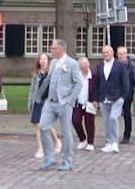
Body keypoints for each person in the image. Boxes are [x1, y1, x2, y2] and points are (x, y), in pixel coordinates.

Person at [39, 39, 83, 172]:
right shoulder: (52, 63)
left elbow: (78, 83)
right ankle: (50, 158)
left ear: (60, 50)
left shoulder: (72, 64)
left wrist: (70, 100)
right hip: (50, 102)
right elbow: (50, 80)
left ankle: (68, 161)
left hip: (64, 103)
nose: (50, 51)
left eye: (53, 48)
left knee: (66, 132)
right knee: (43, 127)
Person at [93, 43, 128, 153]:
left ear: (112, 53)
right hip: (103, 97)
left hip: (117, 97)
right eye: (103, 52)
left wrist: (123, 97)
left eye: (107, 52)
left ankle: (114, 142)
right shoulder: (100, 66)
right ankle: (108, 142)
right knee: (106, 120)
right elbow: (97, 84)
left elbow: (125, 82)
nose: (105, 54)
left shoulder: (119, 65)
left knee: (113, 118)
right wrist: (95, 99)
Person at [28, 51, 52, 165]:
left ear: (48, 61)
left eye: (45, 59)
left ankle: (56, 141)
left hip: (47, 102)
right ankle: (40, 148)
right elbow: (32, 90)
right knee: (37, 124)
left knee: (47, 125)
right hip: (37, 102)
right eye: (41, 59)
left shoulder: (51, 74)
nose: (43, 61)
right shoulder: (36, 75)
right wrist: (30, 104)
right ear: (39, 61)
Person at [73, 56, 96, 151]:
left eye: (87, 63)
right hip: (78, 102)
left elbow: (97, 89)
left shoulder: (94, 76)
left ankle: (90, 143)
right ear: (79, 66)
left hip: (90, 103)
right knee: (75, 121)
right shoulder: (76, 76)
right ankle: (83, 139)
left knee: (89, 123)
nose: (86, 65)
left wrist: (96, 100)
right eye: (84, 64)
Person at [117, 45, 135, 144]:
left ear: (126, 54)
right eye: (118, 54)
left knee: (126, 114)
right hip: (115, 93)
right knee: (114, 115)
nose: (120, 56)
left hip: (127, 94)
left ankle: (127, 136)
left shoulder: (132, 66)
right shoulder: (115, 64)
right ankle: (113, 136)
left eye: (122, 54)